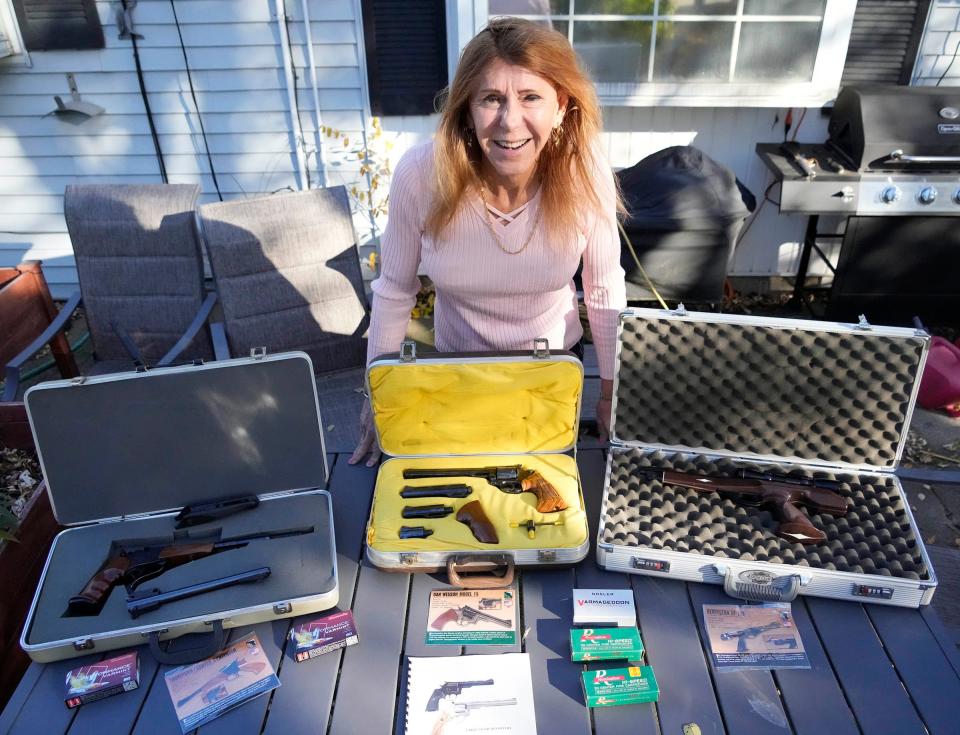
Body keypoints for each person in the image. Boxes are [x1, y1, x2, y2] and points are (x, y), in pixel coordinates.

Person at [349, 17, 626, 467]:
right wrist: (377, 398)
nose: (509, 122)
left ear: (562, 106)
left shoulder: (585, 170)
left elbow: (603, 289)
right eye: (491, 99)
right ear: (466, 109)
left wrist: (612, 396)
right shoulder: (421, 174)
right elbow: (395, 290)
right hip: (458, 367)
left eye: (531, 97)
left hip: (552, 371)